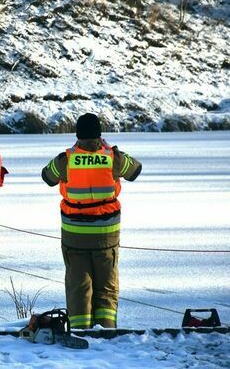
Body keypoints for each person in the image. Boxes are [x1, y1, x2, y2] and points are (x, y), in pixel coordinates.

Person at [41, 113, 142, 329]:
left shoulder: (66, 159)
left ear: (78, 134)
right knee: (106, 286)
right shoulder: (112, 157)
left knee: (79, 286)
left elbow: (47, 176)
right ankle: (106, 332)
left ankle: (80, 332)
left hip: (74, 235)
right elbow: (135, 170)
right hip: (106, 235)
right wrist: (110, 150)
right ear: (99, 134)